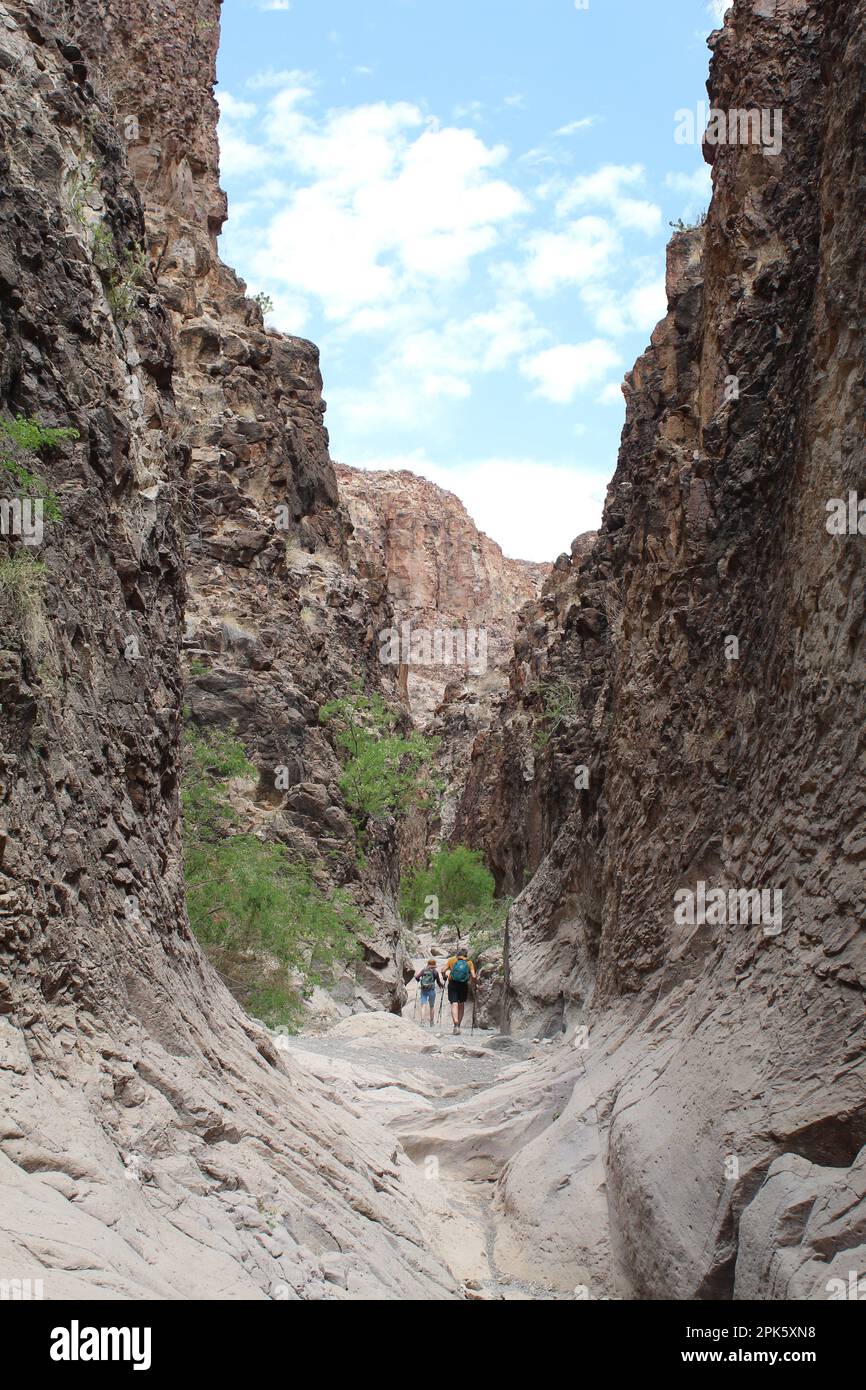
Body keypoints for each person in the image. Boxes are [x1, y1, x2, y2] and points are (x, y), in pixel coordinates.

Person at [442, 947, 477, 1034]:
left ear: (458, 953)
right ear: (466, 954)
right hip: (463, 985)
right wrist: (474, 985)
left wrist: (444, 977)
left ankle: (456, 1024)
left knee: (454, 1003)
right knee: (461, 1004)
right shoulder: (469, 962)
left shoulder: (452, 960)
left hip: (452, 983)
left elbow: (443, 970)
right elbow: (473, 976)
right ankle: (459, 1025)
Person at [414, 959, 443, 1028]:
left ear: (428, 964)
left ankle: (422, 1021)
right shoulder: (435, 972)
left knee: (423, 1005)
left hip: (424, 990)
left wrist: (420, 981)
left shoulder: (424, 970)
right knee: (432, 1006)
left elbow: (416, 977)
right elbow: (438, 982)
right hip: (431, 990)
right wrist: (442, 985)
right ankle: (432, 1022)